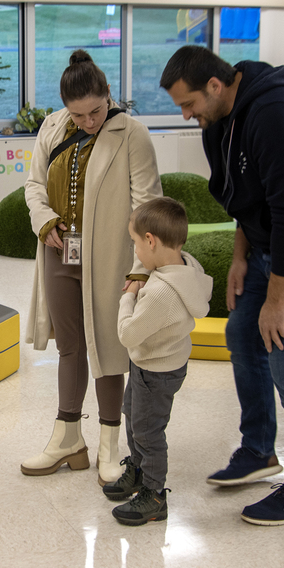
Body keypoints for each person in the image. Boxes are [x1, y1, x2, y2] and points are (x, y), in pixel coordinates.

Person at [161, 45, 284, 526]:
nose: (186, 115)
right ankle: (259, 451)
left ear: (215, 85)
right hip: (271, 249)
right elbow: (248, 200)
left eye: (188, 103)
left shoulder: (276, 114)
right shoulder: (221, 121)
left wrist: (276, 299)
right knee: (242, 337)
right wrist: (240, 257)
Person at [22, 50, 164, 487]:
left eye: (96, 111)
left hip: (110, 259)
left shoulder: (132, 134)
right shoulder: (51, 127)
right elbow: (33, 184)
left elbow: (148, 207)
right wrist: (44, 219)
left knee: (108, 347)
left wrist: (140, 270)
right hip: (59, 253)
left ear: (109, 95)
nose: (88, 121)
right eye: (78, 114)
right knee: (69, 346)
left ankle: (109, 446)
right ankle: (68, 438)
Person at [105, 197, 212, 526]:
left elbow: (128, 334)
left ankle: (153, 495)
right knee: (133, 417)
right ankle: (137, 471)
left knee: (148, 432)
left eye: (136, 243)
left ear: (150, 240)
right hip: (161, 363)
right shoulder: (187, 268)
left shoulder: (161, 293)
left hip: (154, 371)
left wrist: (128, 296)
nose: (136, 252)